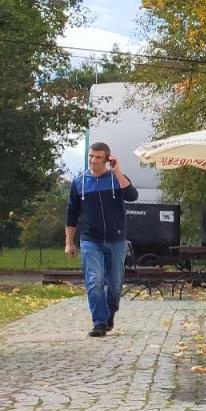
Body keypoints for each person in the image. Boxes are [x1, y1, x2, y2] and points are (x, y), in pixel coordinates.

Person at [64, 141, 138, 337]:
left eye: (98, 157)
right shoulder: (79, 182)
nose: (93, 160)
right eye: (91, 156)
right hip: (90, 240)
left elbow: (132, 196)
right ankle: (99, 322)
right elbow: (71, 215)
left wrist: (117, 172)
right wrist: (69, 242)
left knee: (115, 285)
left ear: (107, 159)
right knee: (94, 280)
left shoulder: (116, 179)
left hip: (116, 239)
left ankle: (109, 313)